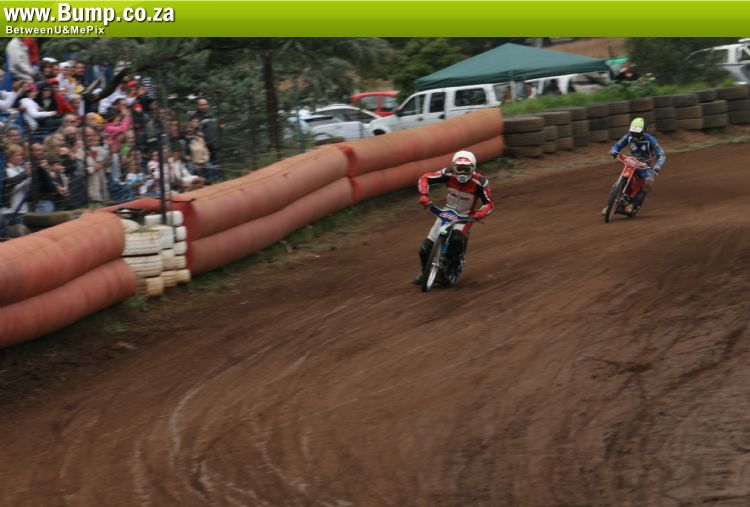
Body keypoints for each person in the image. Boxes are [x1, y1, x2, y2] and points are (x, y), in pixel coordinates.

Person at [412, 150, 494, 286]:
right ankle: (425, 273)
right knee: (424, 248)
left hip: (465, 217)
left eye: (466, 170)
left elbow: (489, 203)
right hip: (446, 213)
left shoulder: (481, 182)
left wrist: (478, 215)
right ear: (453, 167)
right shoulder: (447, 174)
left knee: (456, 240)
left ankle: (453, 268)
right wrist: (424, 194)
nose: (462, 173)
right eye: (459, 169)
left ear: (473, 169)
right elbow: (425, 177)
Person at [606, 117, 666, 215]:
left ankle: (633, 204)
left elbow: (661, 155)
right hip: (631, 162)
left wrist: (657, 166)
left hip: (646, 166)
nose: (634, 134)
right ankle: (610, 204)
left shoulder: (651, 140)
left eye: (637, 132)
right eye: (633, 132)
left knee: (648, 182)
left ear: (644, 131)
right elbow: (617, 146)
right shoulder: (628, 136)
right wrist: (614, 151)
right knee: (618, 182)